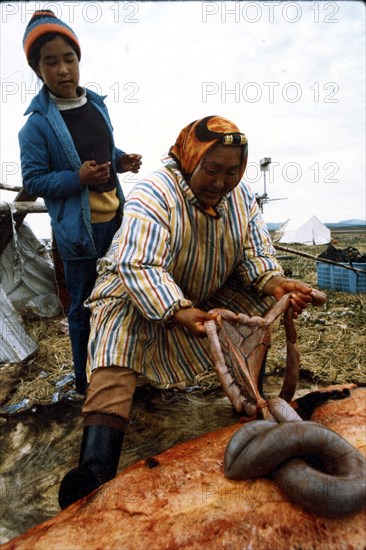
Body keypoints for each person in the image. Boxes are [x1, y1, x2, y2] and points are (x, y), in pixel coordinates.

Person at [58, 115, 315, 509]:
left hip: (202, 292)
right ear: (191, 160)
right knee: (117, 344)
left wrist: (276, 284)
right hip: (136, 292)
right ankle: (94, 467)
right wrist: (179, 310)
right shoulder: (156, 190)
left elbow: (256, 256)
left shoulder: (241, 198)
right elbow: (139, 265)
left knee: (259, 307)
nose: (220, 182)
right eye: (211, 169)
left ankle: (248, 402)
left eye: (232, 171)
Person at [19, 10, 142, 394]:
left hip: (114, 223)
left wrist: (120, 160)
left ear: (79, 59)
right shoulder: (35, 125)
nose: (62, 69)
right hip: (78, 233)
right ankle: (84, 381)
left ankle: (120, 371)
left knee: (119, 301)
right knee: (83, 308)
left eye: (68, 58)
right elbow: (34, 180)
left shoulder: (96, 106)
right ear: (38, 70)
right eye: (50, 62)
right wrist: (77, 179)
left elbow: (101, 150)